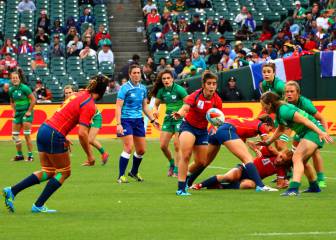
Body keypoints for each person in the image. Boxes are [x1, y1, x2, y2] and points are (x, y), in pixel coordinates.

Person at [3, 75, 109, 213]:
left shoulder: (78, 94)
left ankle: (12, 190)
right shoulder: (89, 104)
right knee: (64, 172)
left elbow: (64, 113)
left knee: (49, 171)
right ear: (103, 91)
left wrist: (62, 135)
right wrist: (90, 156)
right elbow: (83, 133)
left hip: (45, 129)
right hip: (54, 133)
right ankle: (38, 205)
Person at [259, 92, 333, 196]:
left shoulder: (284, 110)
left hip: (313, 132)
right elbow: (280, 129)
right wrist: (268, 142)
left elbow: (306, 121)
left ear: (270, 104)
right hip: (307, 133)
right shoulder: (280, 112)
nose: (263, 108)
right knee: (302, 161)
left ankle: (293, 189)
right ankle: (314, 187)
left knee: (297, 157)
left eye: (263, 105)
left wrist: (321, 132)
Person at [172, 71, 222, 196]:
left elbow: (218, 118)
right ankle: (181, 188)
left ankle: (186, 176)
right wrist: (179, 113)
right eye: (209, 83)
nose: (212, 86)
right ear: (204, 85)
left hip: (203, 131)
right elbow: (185, 108)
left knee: (201, 162)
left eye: (214, 84)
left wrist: (215, 126)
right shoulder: (195, 95)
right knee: (186, 155)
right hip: (188, 126)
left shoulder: (217, 100)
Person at [115, 65, 160, 183]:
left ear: (141, 74)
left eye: (138, 72)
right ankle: (121, 176)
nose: (136, 75)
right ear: (130, 74)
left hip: (138, 120)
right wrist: (118, 124)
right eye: (134, 73)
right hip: (126, 120)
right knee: (128, 147)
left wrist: (153, 120)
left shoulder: (143, 88)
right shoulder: (124, 88)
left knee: (141, 150)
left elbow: (144, 106)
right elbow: (118, 106)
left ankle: (133, 172)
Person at [285, 81, 328, 188]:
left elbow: (321, 118)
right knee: (294, 151)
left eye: (292, 91)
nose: (289, 94)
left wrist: (324, 133)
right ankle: (291, 175)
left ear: (298, 93)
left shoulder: (305, 103)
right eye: (287, 92)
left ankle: (321, 179)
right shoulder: (285, 104)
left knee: (314, 151)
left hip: (313, 130)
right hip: (301, 131)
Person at [192, 146, 292, 190]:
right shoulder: (271, 153)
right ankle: (199, 185)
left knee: (249, 185)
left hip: (252, 179)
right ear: (280, 153)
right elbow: (250, 143)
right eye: (280, 156)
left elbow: (279, 185)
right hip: (243, 168)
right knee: (230, 176)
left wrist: (284, 185)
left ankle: (221, 186)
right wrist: (256, 150)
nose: (279, 160)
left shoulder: (281, 169)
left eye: (283, 160)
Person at [151, 69, 188, 177]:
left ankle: (176, 170)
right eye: (164, 79)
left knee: (177, 145)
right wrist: (155, 111)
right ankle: (172, 163)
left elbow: (188, 103)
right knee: (163, 145)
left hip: (179, 119)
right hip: (168, 119)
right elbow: (155, 105)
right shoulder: (161, 91)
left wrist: (181, 113)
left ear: (172, 79)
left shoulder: (179, 89)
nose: (166, 80)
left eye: (168, 78)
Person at [8, 69, 36, 162]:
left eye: (16, 77)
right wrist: (14, 110)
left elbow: (33, 100)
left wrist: (29, 111)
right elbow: (12, 102)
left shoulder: (25, 88)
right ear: (11, 79)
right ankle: (20, 155)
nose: (14, 79)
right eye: (13, 78)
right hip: (18, 114)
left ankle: (30, 156)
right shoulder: (11, 90)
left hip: (26, 113)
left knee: (26, 135)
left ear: (19, 78)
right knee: (15, 136)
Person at [261, 63, 289, 151]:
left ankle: (292, 161)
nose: (266, 74)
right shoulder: (264, 84)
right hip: (279, 116)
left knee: (280, 145)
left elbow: (289, 95)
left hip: (289, 116)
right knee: (278, 145)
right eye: (264, 72)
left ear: (274, 73)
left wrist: (283, 108)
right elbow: (266, 99)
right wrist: (266, 112)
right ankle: (290, 161)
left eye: (269, 72)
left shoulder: (279, 85)